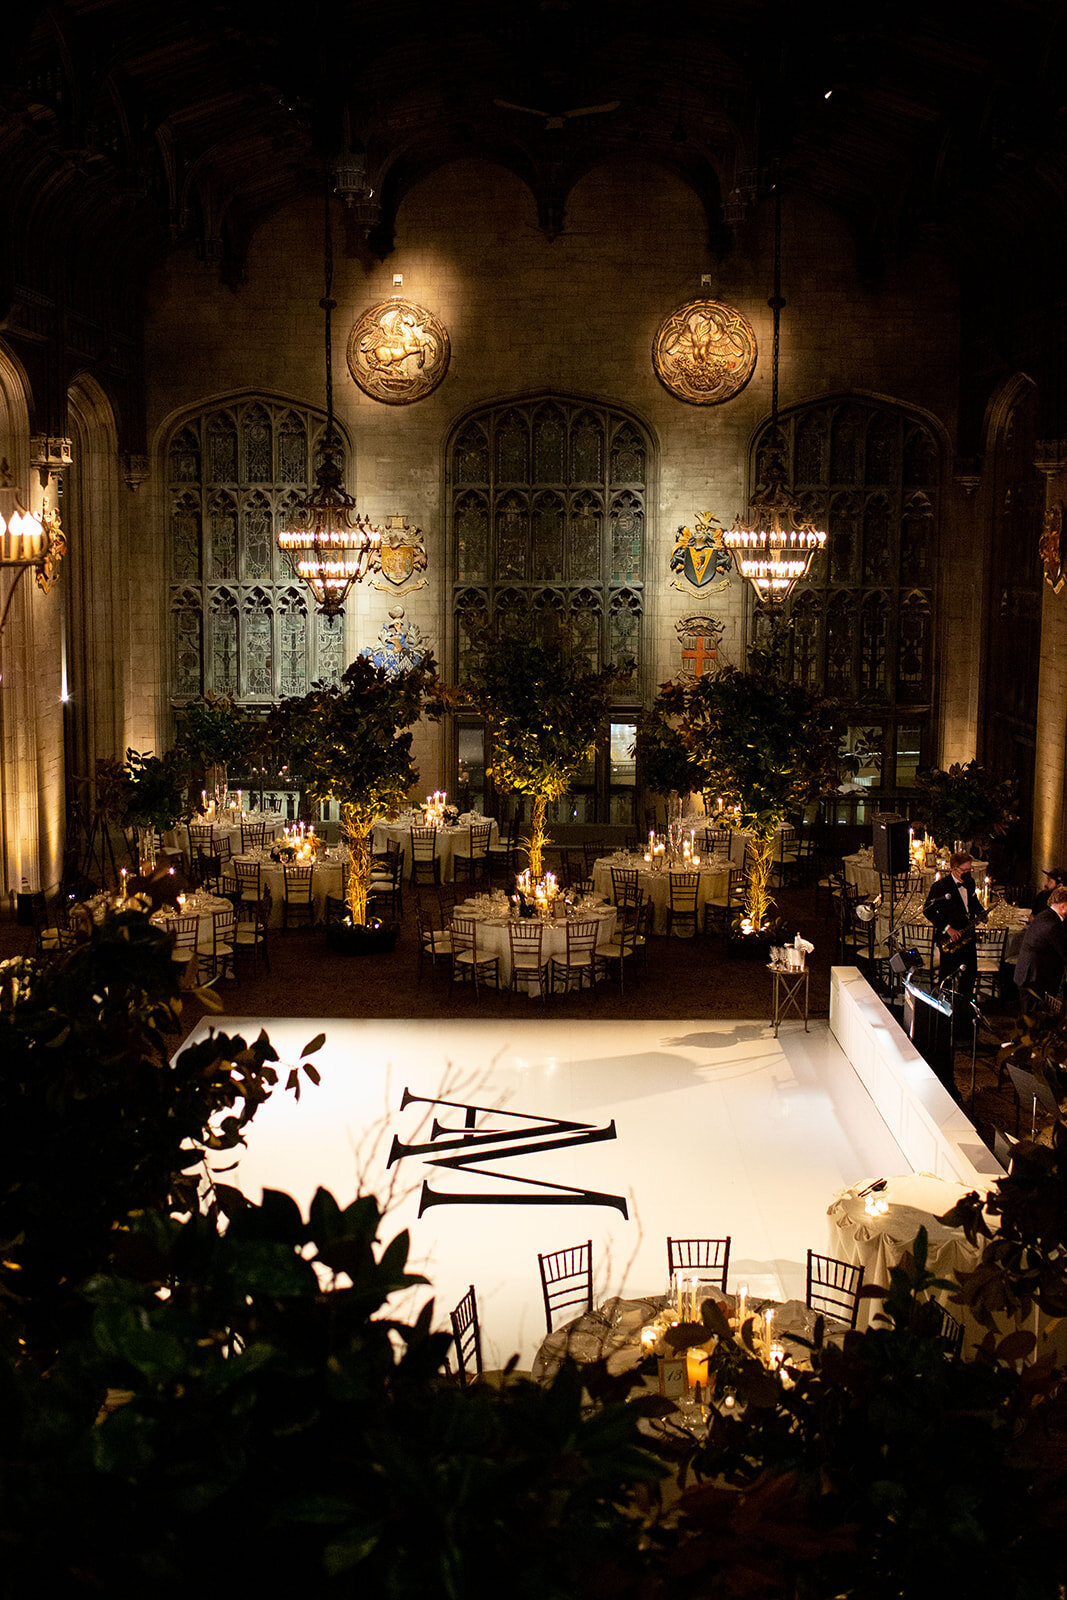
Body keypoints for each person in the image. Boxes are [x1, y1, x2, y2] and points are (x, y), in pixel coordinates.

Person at [922, 851, 986, 1010]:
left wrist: (981, 912)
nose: (968, 874)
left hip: (967, 936)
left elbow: (973, 901)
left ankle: (965, 1012)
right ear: (954, 869)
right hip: (948, 940)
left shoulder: (969, 882)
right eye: (965, 871)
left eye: (970, 870)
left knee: (970, 975)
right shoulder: (940, 887)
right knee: (948, 977)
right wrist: (948, 929)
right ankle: (944, 1010)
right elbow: (927, 911)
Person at [1014, 886, 1067, 999]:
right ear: (1063, 906)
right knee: (1036, 1015)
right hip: (1035, 980)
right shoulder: (1053, 925)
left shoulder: (1044, 915)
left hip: (1028, 975)